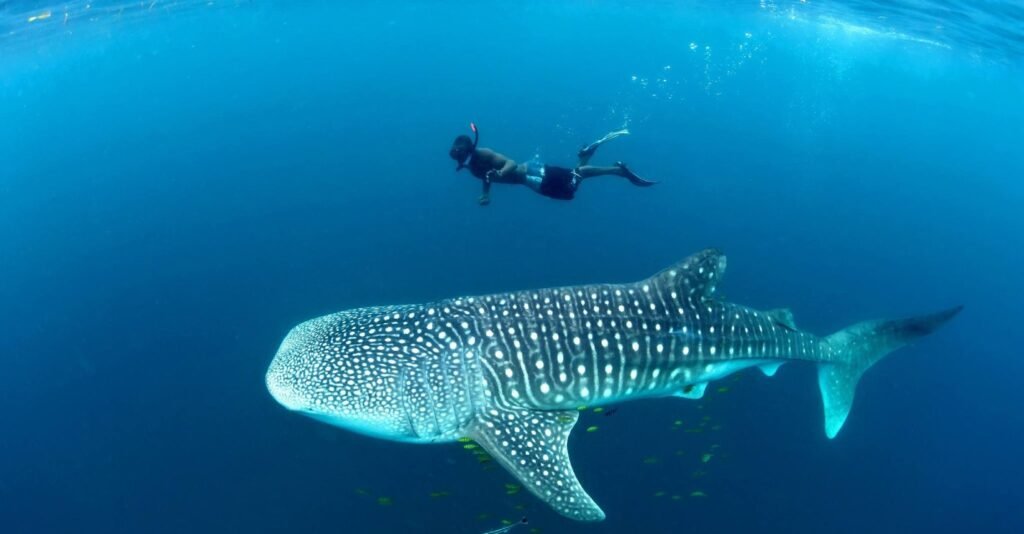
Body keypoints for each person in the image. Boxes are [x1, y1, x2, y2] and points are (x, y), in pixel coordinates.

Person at [449, 125, 655, 205]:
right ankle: (587, 153)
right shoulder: (472, 168)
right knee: (571, 184)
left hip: (533, 176)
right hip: (531, 179)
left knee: (574, 179)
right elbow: (487, 179)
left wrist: (501, 172)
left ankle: (618, 170)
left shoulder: (483, 153)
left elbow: (510, 163)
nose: (461, 162)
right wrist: (486, 193)